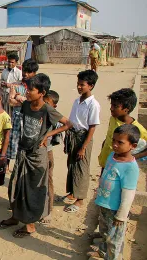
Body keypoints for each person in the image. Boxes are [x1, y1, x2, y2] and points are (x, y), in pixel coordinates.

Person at [0, 74, 70, 238]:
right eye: (28, 88)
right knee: (15, 186)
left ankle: (30, 225)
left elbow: (68, 124)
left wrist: (48, 135)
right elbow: (14, 103)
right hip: (23, 152)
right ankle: (15, 216)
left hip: (37, 156)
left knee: (32, 190)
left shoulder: (48, 110)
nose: (28, 92)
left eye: (31, 89)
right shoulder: (27, 105)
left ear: (42, 92)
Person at [88, 124, 140, 259]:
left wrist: (121, 215)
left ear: (133, 146)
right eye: (113, 140)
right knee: (105, 232)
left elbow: (128, 194)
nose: (114, 145)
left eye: (120, 142)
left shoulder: (130, 168)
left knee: (114, 239)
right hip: (104, 205)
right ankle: (103, 252)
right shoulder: (112, 155)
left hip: (115, 211)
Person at [59, 70, 101, 214]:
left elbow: (92, 127)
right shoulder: (77, 101)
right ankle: (72, 192)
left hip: (84, 138)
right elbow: (71, 121)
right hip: (73, 135)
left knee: (81, 167)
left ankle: (80, 199)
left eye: (82, 85)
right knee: (71, 164)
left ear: (91, 86)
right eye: (78, 84)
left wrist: (84, 147)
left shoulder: (93, 104)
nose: (79, 87)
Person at [98, 88, 147, 171]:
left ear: (126, 109)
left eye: (115, 106)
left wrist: (130, 158)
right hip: (106, 164)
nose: (111, 108)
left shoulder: (138, 129)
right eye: (111, 105)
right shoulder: (113, 119)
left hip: (119, 169)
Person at [7, 59, 39, 171]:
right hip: (18, 119)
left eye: (29, 72)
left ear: (34, 73)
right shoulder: (15, 85)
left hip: (31, 121)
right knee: (15, 147)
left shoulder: (38, 87)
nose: (26, 73)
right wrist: (20, 99)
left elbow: (37, 103)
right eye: (24, 70)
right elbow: (11, 102)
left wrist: (20, 98)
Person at [40, 90, 62, 224]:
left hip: (47, 152)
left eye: (48, 103)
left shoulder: (53, 115)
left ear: (54, 106)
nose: (45, 105)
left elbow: (66, 124)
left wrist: (48, 135)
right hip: (38, 152)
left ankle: (48, 210)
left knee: (48, 181)